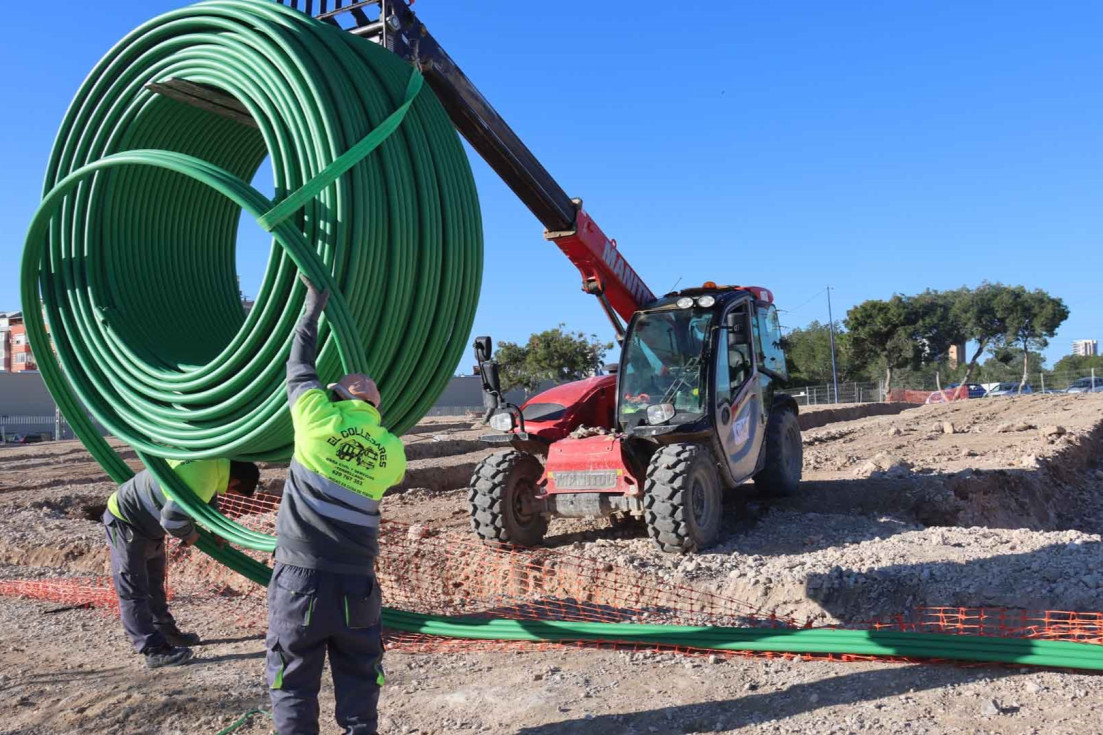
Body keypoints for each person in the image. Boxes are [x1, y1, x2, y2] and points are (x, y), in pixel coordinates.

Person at [267, 276, 407, 735]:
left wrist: (312, 309)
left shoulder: (315, 420)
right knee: (360, 678)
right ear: (374, 407)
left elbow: (297, 363)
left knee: (292, 681)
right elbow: (383, 450)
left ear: (336, 397)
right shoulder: (391, 452)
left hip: (300, 580)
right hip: (357, 586)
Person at [103, 458, 260, 668]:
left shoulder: (213, 464)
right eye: (233, 493)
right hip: (126, 522)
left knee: (154, 585)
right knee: (134, 589)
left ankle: (165, 632)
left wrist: (216, 527)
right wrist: (190, 535)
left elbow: (207, 496)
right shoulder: (203, 478)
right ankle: (153, 650)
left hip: (148, 525)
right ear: (235, 482)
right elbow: (171, 521)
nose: (227, 495)